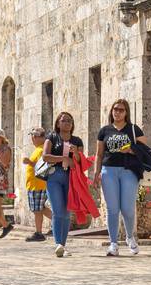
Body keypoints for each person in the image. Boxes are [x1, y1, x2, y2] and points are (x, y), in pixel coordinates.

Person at [92, 99, 143, 256]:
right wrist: (96, 173)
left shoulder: (134, 129)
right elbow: (99, 154)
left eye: (121, 109)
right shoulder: (104, 131)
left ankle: (129, 237)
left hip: (129, 171)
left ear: (126, 112)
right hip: (109, 171)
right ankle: (113, 243)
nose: (117, 112)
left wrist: (131, 150)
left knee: (127, 209)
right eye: (115, 109)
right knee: (112, 209)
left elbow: (144, 150)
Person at [43, 113, 86, 257]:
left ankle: (63, 245)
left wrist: (76, 154)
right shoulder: (52, 137)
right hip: (54, 176)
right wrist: (63, 158)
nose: (67, 123)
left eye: (70, 121)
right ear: (58, 123)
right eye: (64, 120)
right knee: (57, 210)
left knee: (67, 211)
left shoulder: (77, 141)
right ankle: (58, 243)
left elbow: (81, 161)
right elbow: (45, 156)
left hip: (71, 177)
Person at [23, 127, 50, 244]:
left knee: (38, 210)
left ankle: (39, 232)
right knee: (40, 209)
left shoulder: (41, 150)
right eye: (32, 136)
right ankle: (58, 223)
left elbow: (42, 166)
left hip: (38, 184)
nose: (32, 139)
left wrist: (29, 162)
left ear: (41, 137)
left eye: (34, 136)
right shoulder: (37, 149)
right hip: (34, 184)